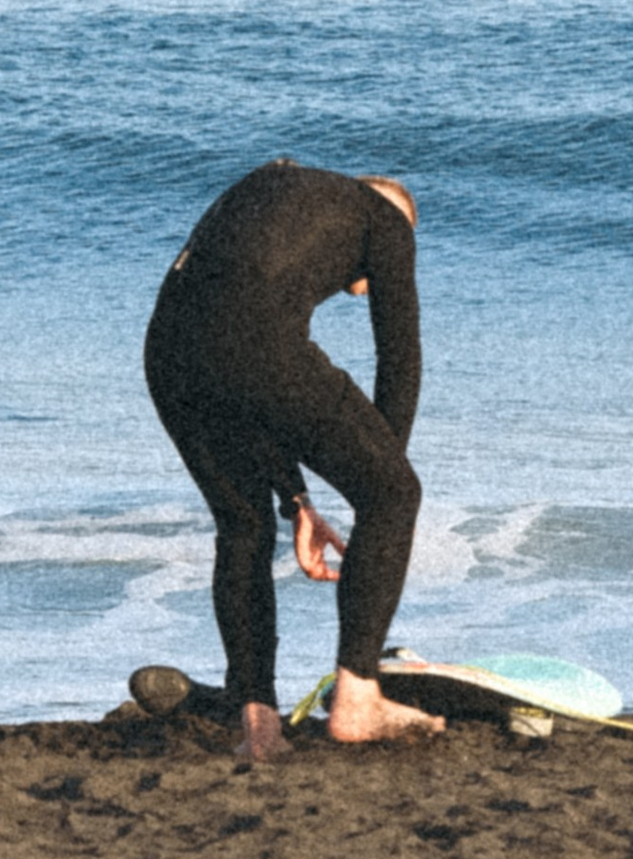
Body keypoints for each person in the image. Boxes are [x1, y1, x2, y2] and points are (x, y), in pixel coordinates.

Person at [145, 156, 442, 764]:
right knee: (395, 495)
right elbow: (401, 357)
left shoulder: (281, 186)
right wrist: (380, 477)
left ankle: (259, 727)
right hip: (250, 337)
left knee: (244, 527)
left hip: (168, 347)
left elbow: (235, 354)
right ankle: (359, 697)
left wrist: (297, 499)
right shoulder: (383, 220)